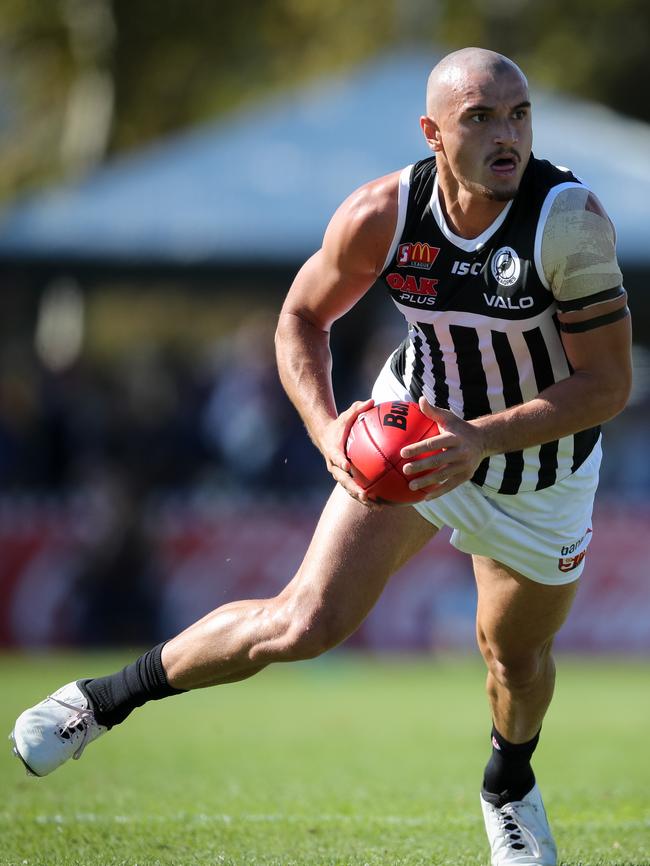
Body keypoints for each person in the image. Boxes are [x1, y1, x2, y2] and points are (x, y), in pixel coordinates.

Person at [11, 47, 631, 866]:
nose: (506, 134)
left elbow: (608, 384)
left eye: (518, 115)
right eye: (480, 117)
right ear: (433, 134)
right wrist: (328, 427)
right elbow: (301, 319)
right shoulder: (383, 212)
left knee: (514, 660)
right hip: (413, 435)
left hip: (539, 471)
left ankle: (507, 787)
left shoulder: (568, 221)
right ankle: (96, 703)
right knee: (303, 621)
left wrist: (481, 438)